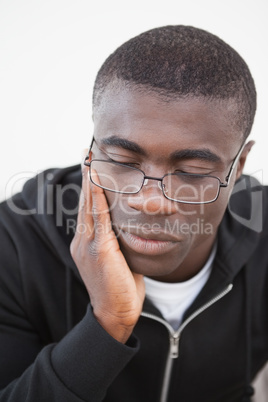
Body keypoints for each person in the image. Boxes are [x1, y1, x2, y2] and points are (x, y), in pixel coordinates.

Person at [0, 24, 266, 402]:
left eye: (191, 171)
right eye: (122, 160)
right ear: (90, 153)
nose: (151, 201)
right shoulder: (12, 245)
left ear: (238, 166)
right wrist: (107, 324)